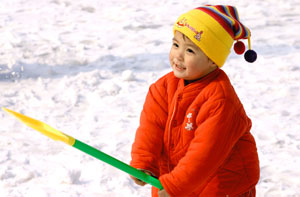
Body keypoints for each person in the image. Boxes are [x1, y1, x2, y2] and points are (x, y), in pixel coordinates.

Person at [130, 5, 260, 197]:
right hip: (184, 180)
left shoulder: (220, 100)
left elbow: (206, 154)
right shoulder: (163, 87)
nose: (178, 56)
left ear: (213, 60)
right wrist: (144, 161)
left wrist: (175, 186)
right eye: (175, 45)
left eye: (190, 51)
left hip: (224, 186)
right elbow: (151, 126)